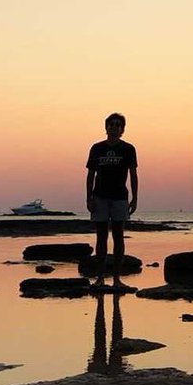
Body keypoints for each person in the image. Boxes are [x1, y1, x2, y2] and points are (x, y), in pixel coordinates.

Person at [85, 113, 138, 291]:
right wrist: (89, 198)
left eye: (118, 125)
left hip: (120, 198)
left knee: (118, 237)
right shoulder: (97, 148)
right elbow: (90, 175)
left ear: (122, 129)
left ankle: (116, 278)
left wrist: (135, 198)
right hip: (100, 197)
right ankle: (100, 277)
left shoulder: (128, 149)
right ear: (106, 127)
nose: (114, 127)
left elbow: (133, 174)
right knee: (101, 237)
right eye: (111, 124)